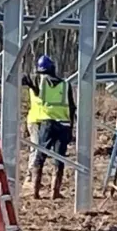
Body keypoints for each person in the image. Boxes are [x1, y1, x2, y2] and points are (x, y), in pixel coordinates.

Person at [22, 55, 76, 199]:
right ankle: (55, 191)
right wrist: (71, 127)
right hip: (64, 124)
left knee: (40, 155)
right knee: (59, 158)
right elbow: (72, 107)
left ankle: (35, 190)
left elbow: (26, 77)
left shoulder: (39, 80)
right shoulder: (65, 84)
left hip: (47, 123)